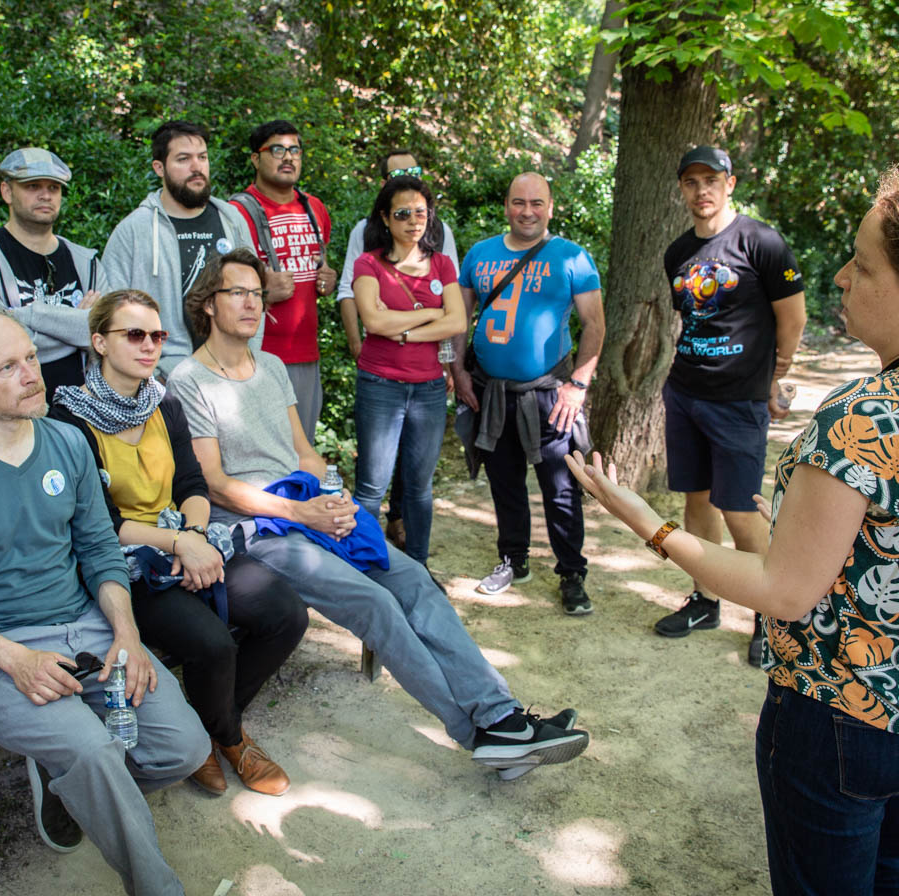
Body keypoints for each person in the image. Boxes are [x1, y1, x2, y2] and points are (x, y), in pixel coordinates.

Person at [567, 168, 899, 895]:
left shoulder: (870, 415)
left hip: (847, 717)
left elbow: (784, 592)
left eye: (863, 265)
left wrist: (649, 524)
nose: (839, 277)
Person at [169, 248, 588, 780]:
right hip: (255, 528)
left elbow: (304, 453)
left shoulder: (270, 366)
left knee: (413, 579)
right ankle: (478, 735)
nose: (253, 303)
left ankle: (499, 715)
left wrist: (334, 498)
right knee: (375, 603)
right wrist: (303, 513)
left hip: (305, 504)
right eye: (238, 293)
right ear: (208, 304)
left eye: (257, 293)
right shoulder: (189, 379)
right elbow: (215, 484)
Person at [0, 302, 210, 895]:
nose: (32, 375)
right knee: (93, 752)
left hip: (87, 630)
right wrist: (16, 660)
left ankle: (73, 788)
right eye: (7, 367)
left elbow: (100, 550)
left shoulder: (66, 442)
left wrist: (127, 633)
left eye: (32, 357)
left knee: (184, 749)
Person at [49, 289, 308, 796]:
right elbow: (98, 521)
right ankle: (229, 739)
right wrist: (178, 545)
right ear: (99, 342)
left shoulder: (163, 399)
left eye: (157, 335)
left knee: (286, 613)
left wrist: (192, 538)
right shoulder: (68, 419)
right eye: (134, 334)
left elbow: (192, 483)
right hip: (121, 563)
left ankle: (208, 726)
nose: (150, 345)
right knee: (212, 643)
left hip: (185, 535)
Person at [653, 146, 806, 666]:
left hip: (739, 401)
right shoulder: (678, 252)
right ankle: (705, 600)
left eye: (711, 180)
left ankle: (770, 618)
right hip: (685, 394)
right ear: (682, 189)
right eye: (691, 181)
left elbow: (793, 318)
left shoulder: (761, 242)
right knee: (696, 501)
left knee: (740, 509)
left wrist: (776, 377)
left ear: (730, 183)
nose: (702, 190)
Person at [451, 172, 605, 617]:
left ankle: (572, 573)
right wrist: (458, 372)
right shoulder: (480, 254)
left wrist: (578, 385)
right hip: (491, 391)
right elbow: (459, 320)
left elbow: (595, 325)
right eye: (518, 202)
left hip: (550, 394)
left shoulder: (572, 257)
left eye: (537, 203)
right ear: (506, 206)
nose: (527, 211)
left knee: (560, 487)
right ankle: (513, 560)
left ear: (550, 208)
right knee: (505, 483)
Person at [337, 149, 459, 549]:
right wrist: (431, 314)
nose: (413, 221)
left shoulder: (442, 264)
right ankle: (366, 564)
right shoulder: (368, 264)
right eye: (402, 214)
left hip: (428, 388)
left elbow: (457, 321)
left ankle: (419, 567)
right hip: (381, 384)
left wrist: (403, 330)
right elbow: (373, 321)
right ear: (386, 219)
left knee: (419, 489)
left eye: (420, 213)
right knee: (372, 488)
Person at [101, 121, 261, 381]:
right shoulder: (134, 230)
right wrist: (152, 376)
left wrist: (248, 359)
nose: (197, 167)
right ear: (159, 168)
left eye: (202, 157)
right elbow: (111, 314)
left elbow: (254, 293)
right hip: (165, 380)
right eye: (183, 159)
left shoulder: (231, 220)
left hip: (232, 376)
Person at [0, 147, 109, 394]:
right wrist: (77, 326)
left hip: (84, 408)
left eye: (54, 188)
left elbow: (110, 338)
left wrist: (27, 316)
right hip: (11, 408)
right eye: (33, 186)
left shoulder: (86, 261)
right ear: (7, 191)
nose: (45, 195)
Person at [228, 120, 335, 443]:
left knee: (302, 452)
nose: (288, 157)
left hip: (306, 355)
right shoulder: (236, 212)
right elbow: (219, 287)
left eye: (294, 150)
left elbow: (320, 264)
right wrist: (261, 292)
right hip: (256, 356)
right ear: (255, 159)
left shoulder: (314, 208)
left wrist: (327, 278)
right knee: (258, 451)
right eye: (277, 150)